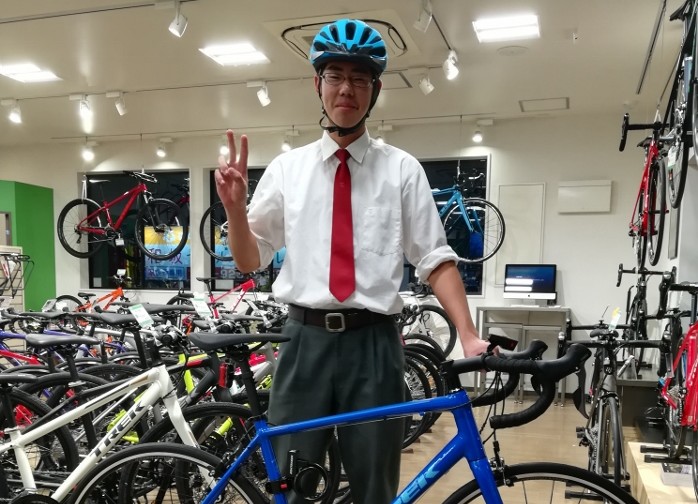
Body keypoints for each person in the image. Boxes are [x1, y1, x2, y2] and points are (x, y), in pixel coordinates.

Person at [215, 18, 490, 504]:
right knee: (291, 486)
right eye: (335, 76)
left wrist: (467, 334)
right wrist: (236, 211)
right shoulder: (287, 170)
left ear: (375, 90)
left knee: (375, 486)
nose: (347, 88)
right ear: (317, 85)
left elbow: (435, 260)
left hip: (375, 346)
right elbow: (250, 258)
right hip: (303, 343)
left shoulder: (402, 170)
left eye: (360, 78)